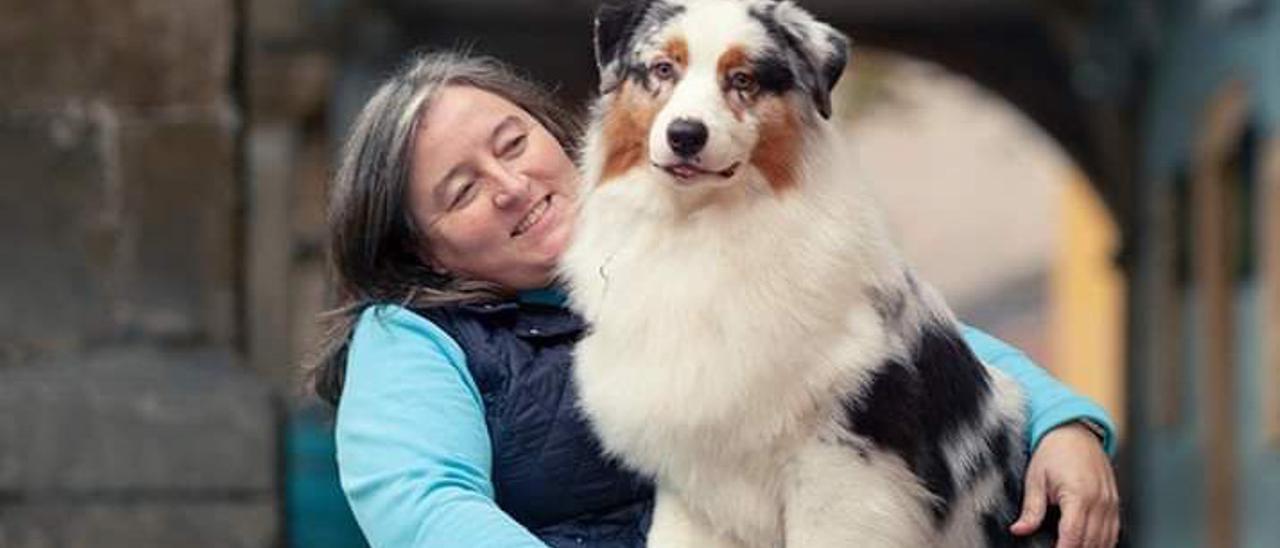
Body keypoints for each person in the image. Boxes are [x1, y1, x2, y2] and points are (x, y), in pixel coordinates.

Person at [312, 51, 1120, 548]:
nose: (512, 185)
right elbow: (427, 509)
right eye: (461, 191)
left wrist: (1059, 422)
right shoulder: (414, 341)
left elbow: (891, 329)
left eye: (513, 142)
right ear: (420, 248)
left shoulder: (695, 230)